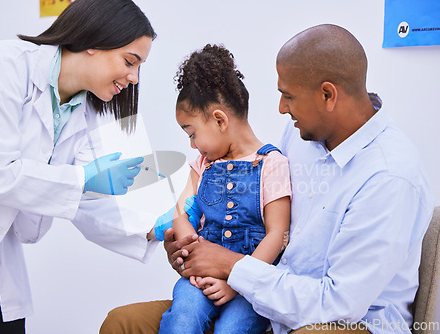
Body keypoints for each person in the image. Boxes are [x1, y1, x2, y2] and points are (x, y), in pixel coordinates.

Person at [101, 24, 435, 334]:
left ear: (327, 95)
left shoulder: (389, 176)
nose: (280, 108)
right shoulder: (301, 136)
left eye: (288, 96)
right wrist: (193, 257)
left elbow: (338, 304)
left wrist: (232, 268)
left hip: (343, 323)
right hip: (265, 299)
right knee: (124, 323)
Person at [0, 0, 159, 333]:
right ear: (94, 42)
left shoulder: (83, 109)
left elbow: (81, 199)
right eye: (129, 61)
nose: (134, 77)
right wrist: (84, 179)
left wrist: (152, 228)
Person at [156, 44, 291, 334]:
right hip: (202, 276)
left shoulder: (272, 164)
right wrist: (191, 258)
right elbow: (181, 213)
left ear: (219, 119)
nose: (192, 145)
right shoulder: (202, 165)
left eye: (192, 134)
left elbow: (277, 235)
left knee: (233, 328)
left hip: (251, 283)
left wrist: (237, 281)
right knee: (182, 318)